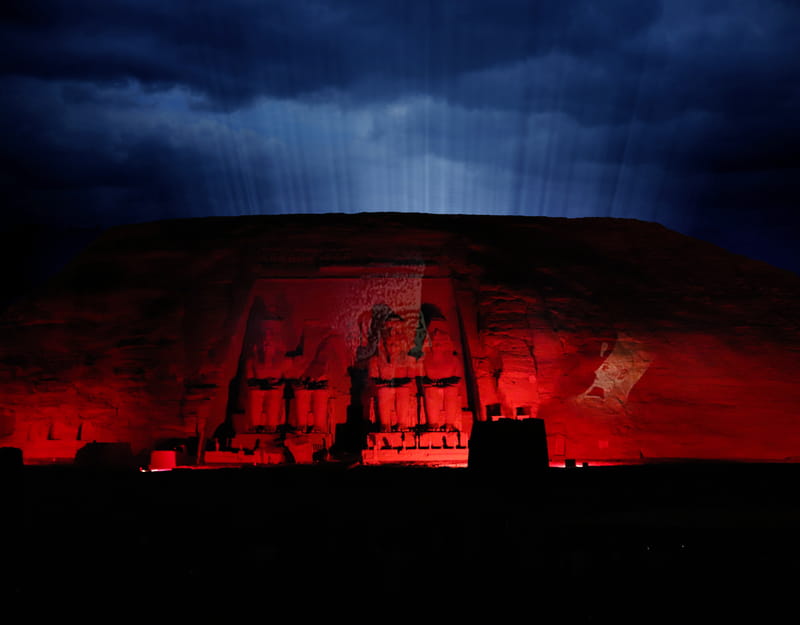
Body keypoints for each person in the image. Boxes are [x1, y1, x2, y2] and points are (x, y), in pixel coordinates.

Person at [369, 314, 421, 431]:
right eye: (389, 330)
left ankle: (401, 423)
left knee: (402, 392)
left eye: (396, 331)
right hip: (385, 387)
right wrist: (384, 384)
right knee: (384, 392)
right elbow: (374, 378)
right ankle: (385, 424)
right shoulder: (376, 359)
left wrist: (402, 383)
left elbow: (411, 379)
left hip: (402, 387)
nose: (392, 334)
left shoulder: (408, 358)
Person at [420, 317, 463, 431]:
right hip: (431, 387)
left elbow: (457, 378)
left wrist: (443, 382)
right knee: (431, 392)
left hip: (449, 387)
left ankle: (450, 423)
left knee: (451, 392)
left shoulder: (453, 359)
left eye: (440, 342)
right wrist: (434, 383)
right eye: (435, 342)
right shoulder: (425, 359)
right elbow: (423, 377)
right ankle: (432, 423)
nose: (437, 344)